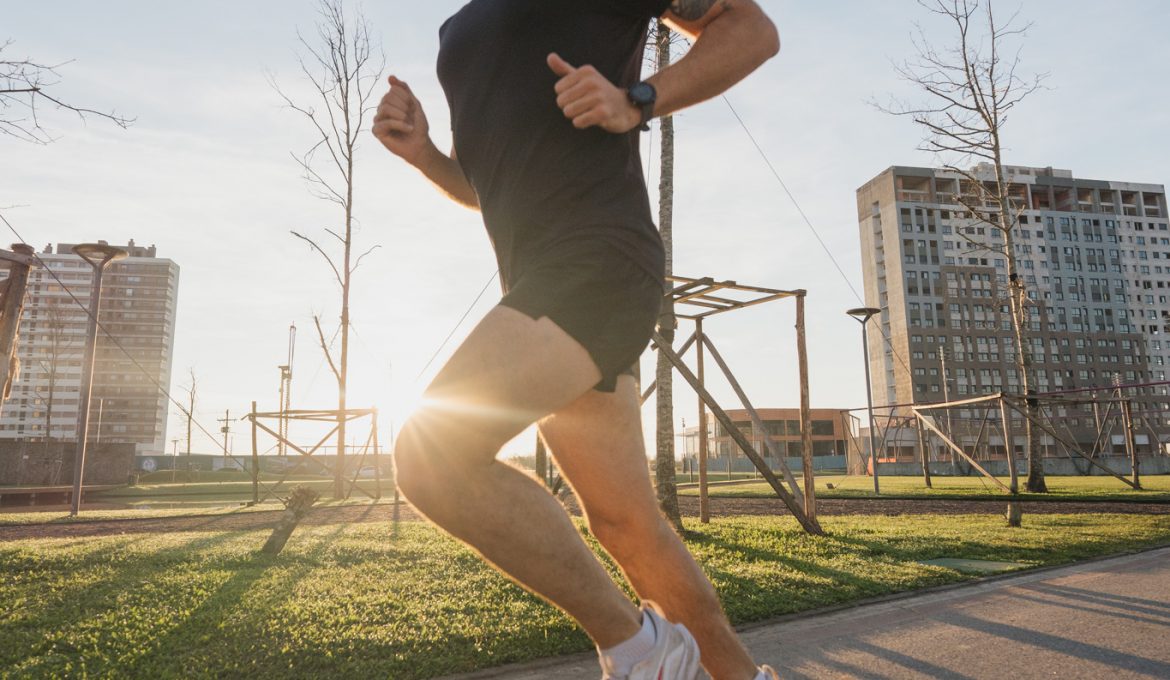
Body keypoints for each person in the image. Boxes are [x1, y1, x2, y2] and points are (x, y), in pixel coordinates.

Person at [374, 1, 779, 678]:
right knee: (626, 527)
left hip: (598, 262)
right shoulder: (461, 29)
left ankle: (641, 653)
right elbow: (490, 187)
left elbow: (750, 29)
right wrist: (424, 157)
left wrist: (638, 100)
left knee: (430, 453)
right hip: (541, 281)